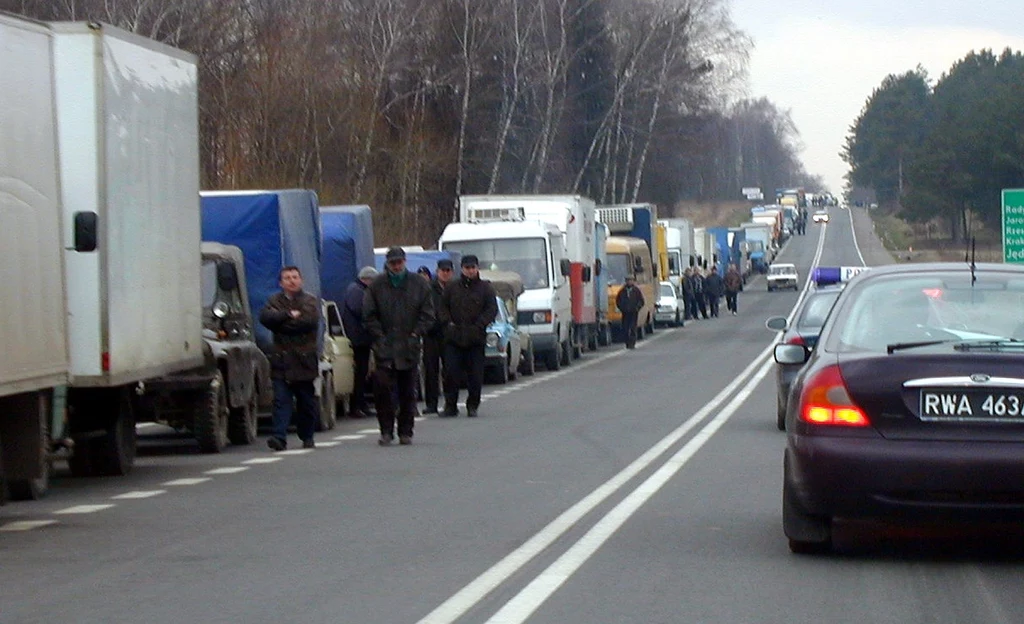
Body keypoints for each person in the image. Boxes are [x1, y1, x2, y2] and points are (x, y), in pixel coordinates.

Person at [363, 247, 434, 445]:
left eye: (399, 262)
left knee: (407, 391)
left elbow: (428, 315)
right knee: (383, 390)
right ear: (387, 263)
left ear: (404, 261)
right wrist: (379, 336)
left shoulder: (419, 284)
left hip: (409, 346)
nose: (396, 266)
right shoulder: (376, 286)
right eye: (392, 262)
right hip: (385, 347)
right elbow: (368, 315)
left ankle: (406, 431)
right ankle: (386, 430)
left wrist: (415, 334)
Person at [259, 266, 321, 451]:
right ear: (281, 283)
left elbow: (307, 323)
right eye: (287, 278)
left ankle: (307, 435)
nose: (291, 281)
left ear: (301, 280)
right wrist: (286, 315)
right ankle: (279, 437)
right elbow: (265, 318)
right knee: (281, 401)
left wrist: (280, 325)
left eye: (295, 277)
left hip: (303, 361)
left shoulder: (309, 300)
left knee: (306, 402)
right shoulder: (274, 300)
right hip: (281, 361)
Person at [439, 254, 497, 418]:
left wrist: (480, 325)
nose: (470, 271)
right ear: (462, 269)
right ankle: (450, 406)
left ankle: (473, 405)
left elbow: (491, 310)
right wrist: (448, 324)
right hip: (454, 338)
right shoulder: (452, 287)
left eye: (473, 268)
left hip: (475, 338)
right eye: (467, 268)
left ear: (477, 268)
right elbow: (442, 308)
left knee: (475, 375)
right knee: (450, 372)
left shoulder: (485, 288)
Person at [342, 266, 378, 418]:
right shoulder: (356, 291)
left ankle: (361, 404)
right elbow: (360, 310)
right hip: (358, 339)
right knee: (359, 373)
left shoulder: (357, 289)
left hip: (362, 338)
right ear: (367, 279)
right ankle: (357, 406)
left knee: (363, 373)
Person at [422, 258, 455, 414]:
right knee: (430, 370)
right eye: (443, 271)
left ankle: (450, 402)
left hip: (449, 334)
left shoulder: (456, 288)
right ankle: (431, 403)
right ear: (437, 272)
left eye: (448, 271)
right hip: (431, 334)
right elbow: (425, 308)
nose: (445, 273)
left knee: (449, 369)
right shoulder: (428, 288)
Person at [615, 275, 645, 349]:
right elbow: (618, 301)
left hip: (633, 312)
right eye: (628, 280)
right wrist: (622, 308)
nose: (629, 282)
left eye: (631, 280)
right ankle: (627, 342)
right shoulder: (622, 291)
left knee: (632, 328)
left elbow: (641, 301)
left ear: (633, 281)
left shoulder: (636, 291)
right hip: (625, 313)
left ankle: (632, 343)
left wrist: (637, 308)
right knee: (625, 328)